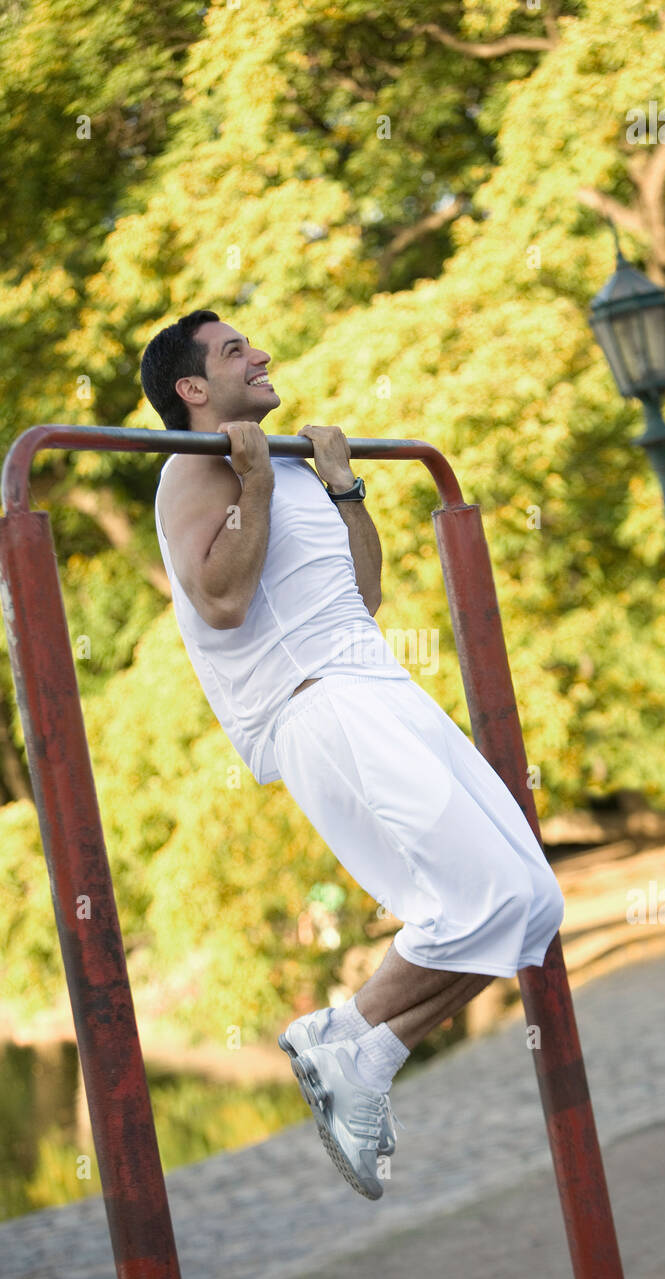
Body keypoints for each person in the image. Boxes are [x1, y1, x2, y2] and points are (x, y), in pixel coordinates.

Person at [140, 309, 565, 1200]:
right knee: (480, 898)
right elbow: (219, 602)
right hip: (316, 702)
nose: (259, 355)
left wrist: (341, 490)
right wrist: (251, 486)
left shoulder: (280, 460)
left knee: (532, 905)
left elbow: (362, 593)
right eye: (232, 352)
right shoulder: (194, 467)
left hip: (372, 682)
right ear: (191, 389)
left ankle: (357, 1051)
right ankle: (345, 1036)